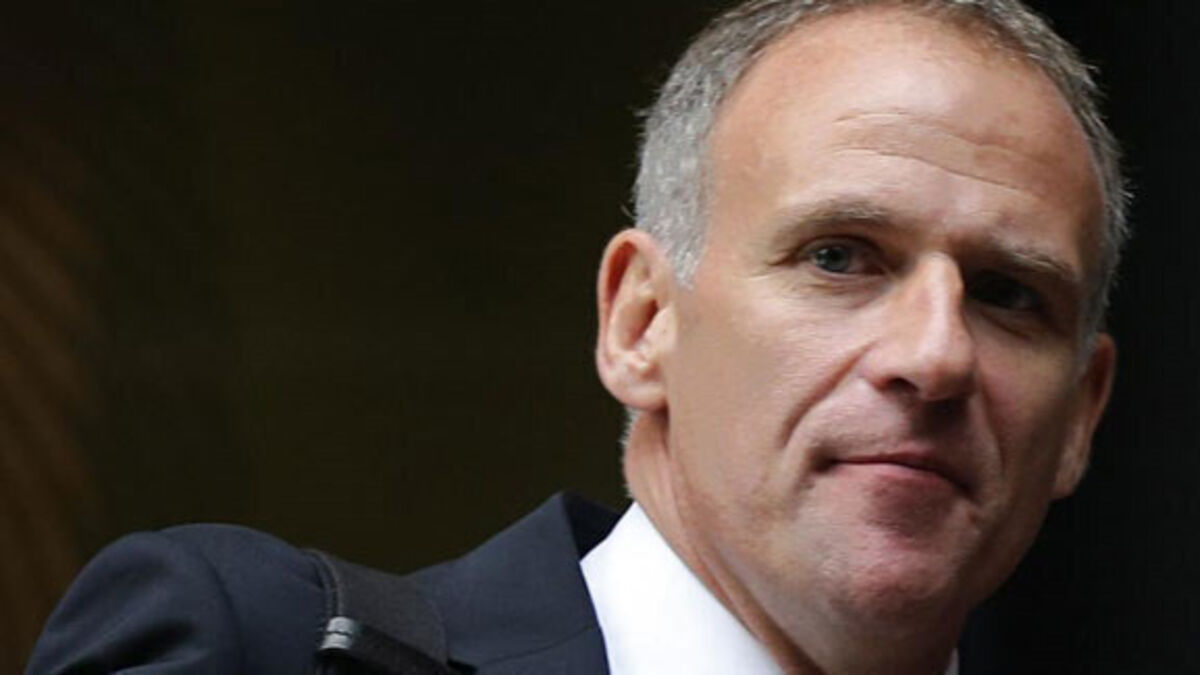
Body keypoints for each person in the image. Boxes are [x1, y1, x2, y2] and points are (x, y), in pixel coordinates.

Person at [27, 0, 1127, 673]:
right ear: (642, 322)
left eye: (1008, 294)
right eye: (840, 256)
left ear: (1081, 416)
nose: (934, 355)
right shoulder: (255, 650)